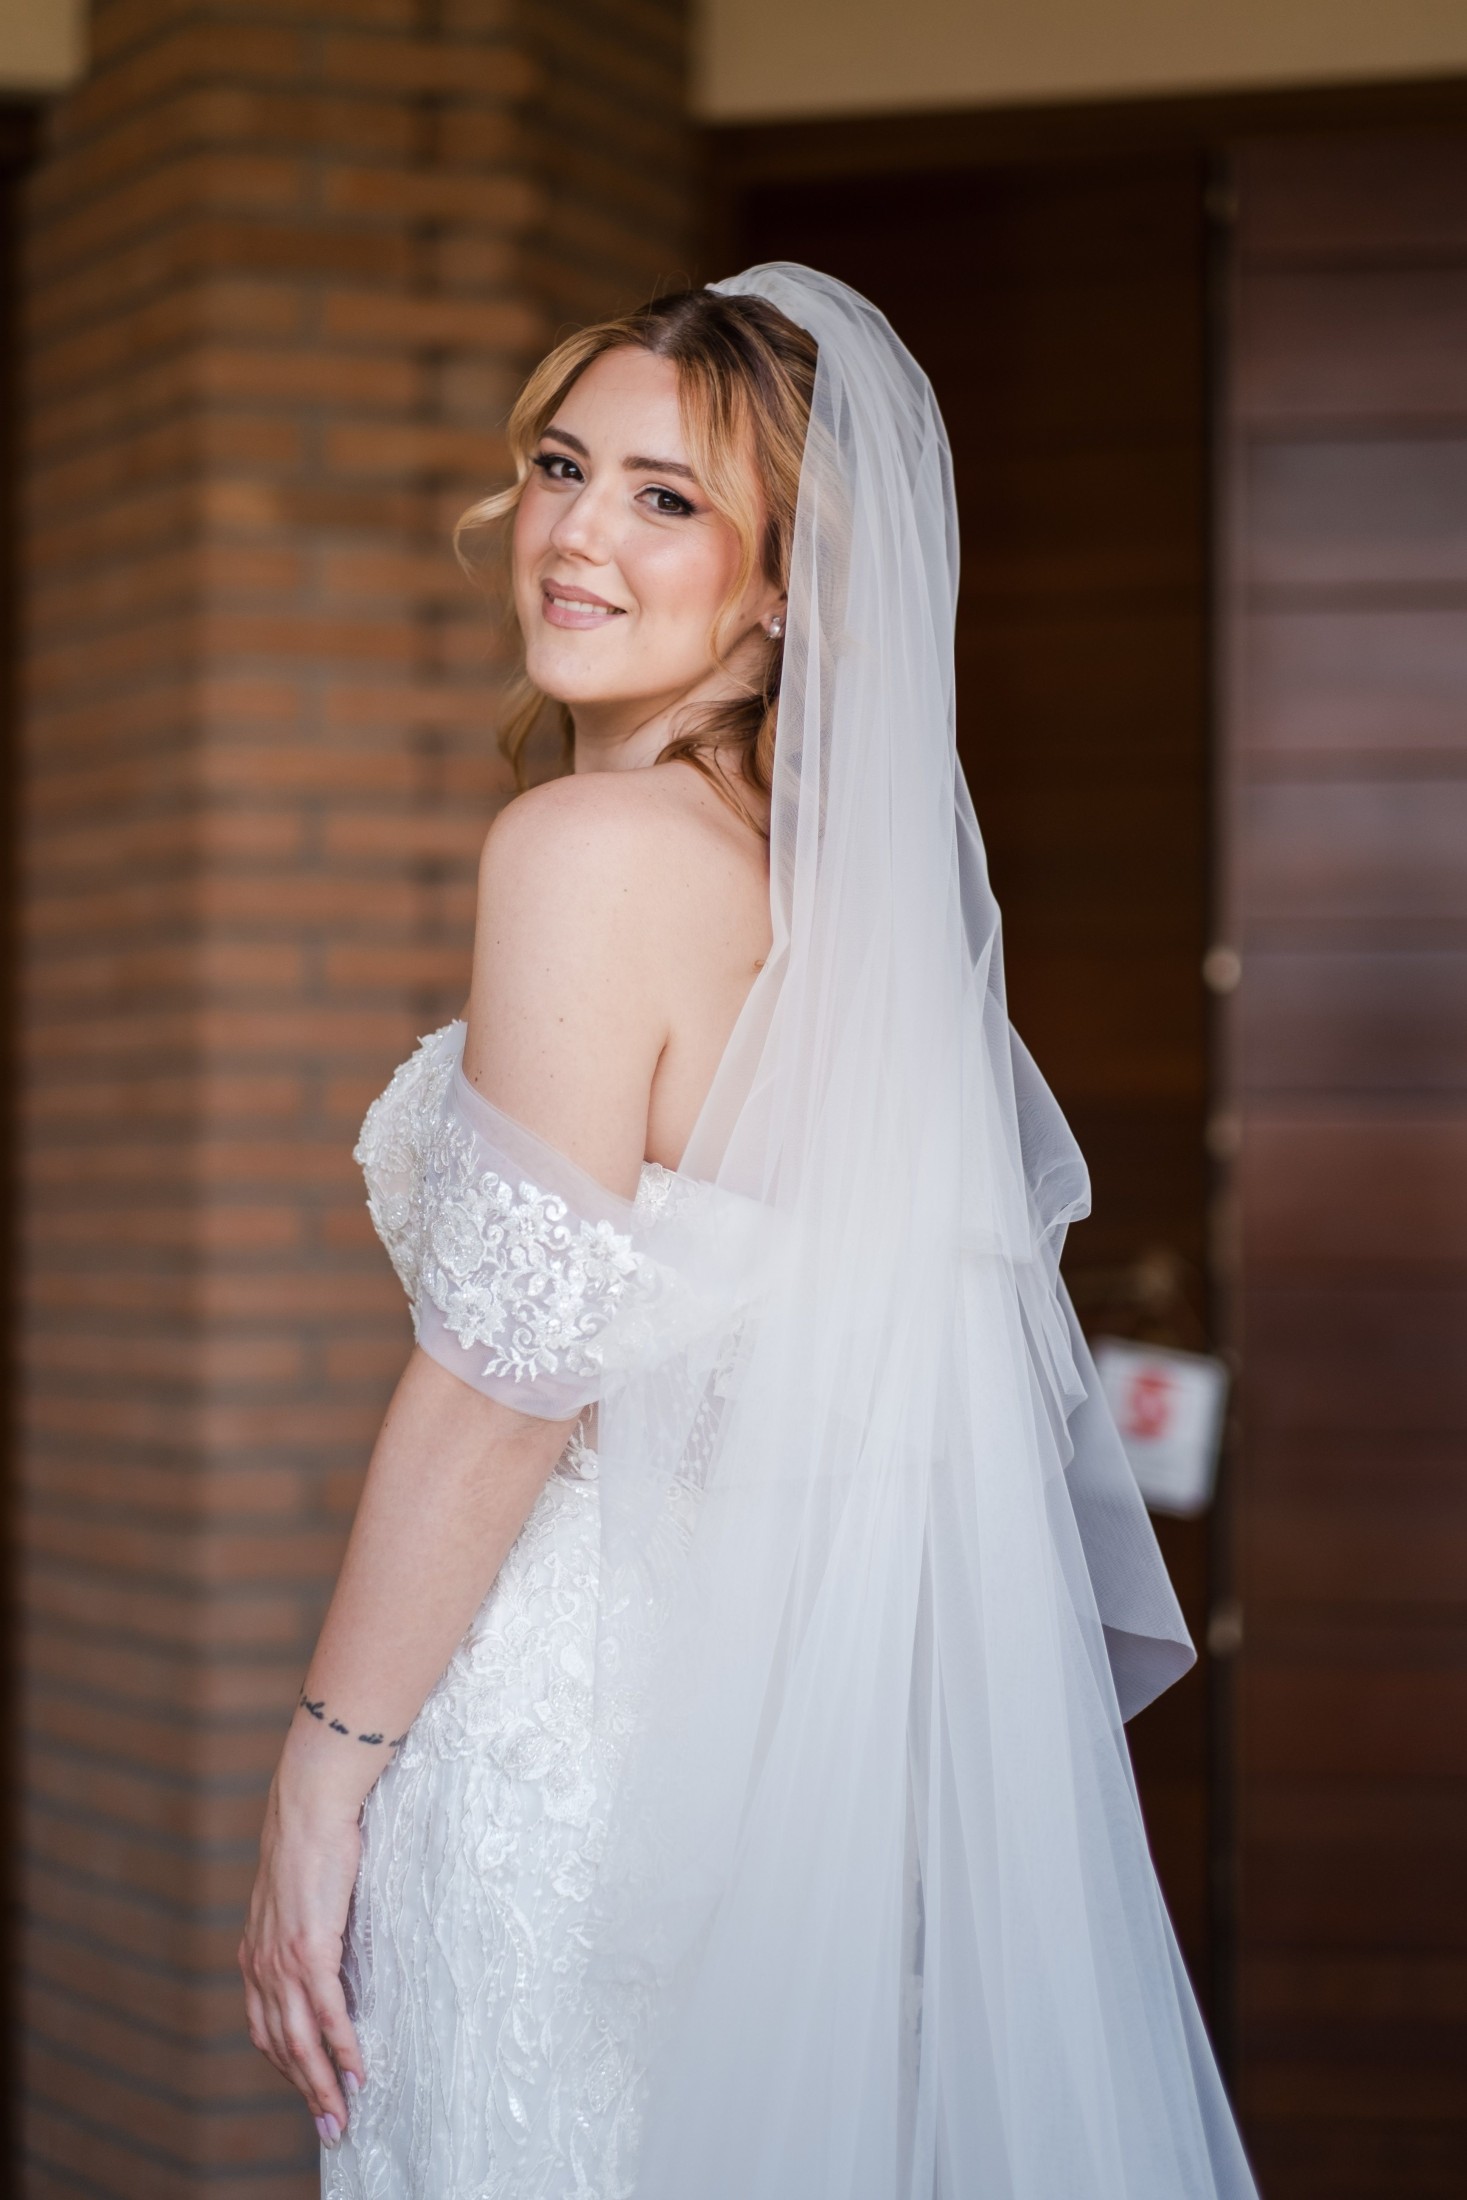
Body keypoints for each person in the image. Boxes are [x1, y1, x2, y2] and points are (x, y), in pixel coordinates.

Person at [240, 266, 1259, 2199]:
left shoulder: (590, 852)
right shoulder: (802, 893)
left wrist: (320, 1763)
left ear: (784, 583)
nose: (577, 534)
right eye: (563, 468)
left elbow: (502, 1392)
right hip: (770, 1754)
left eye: (667, 498)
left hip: (579, 1744)